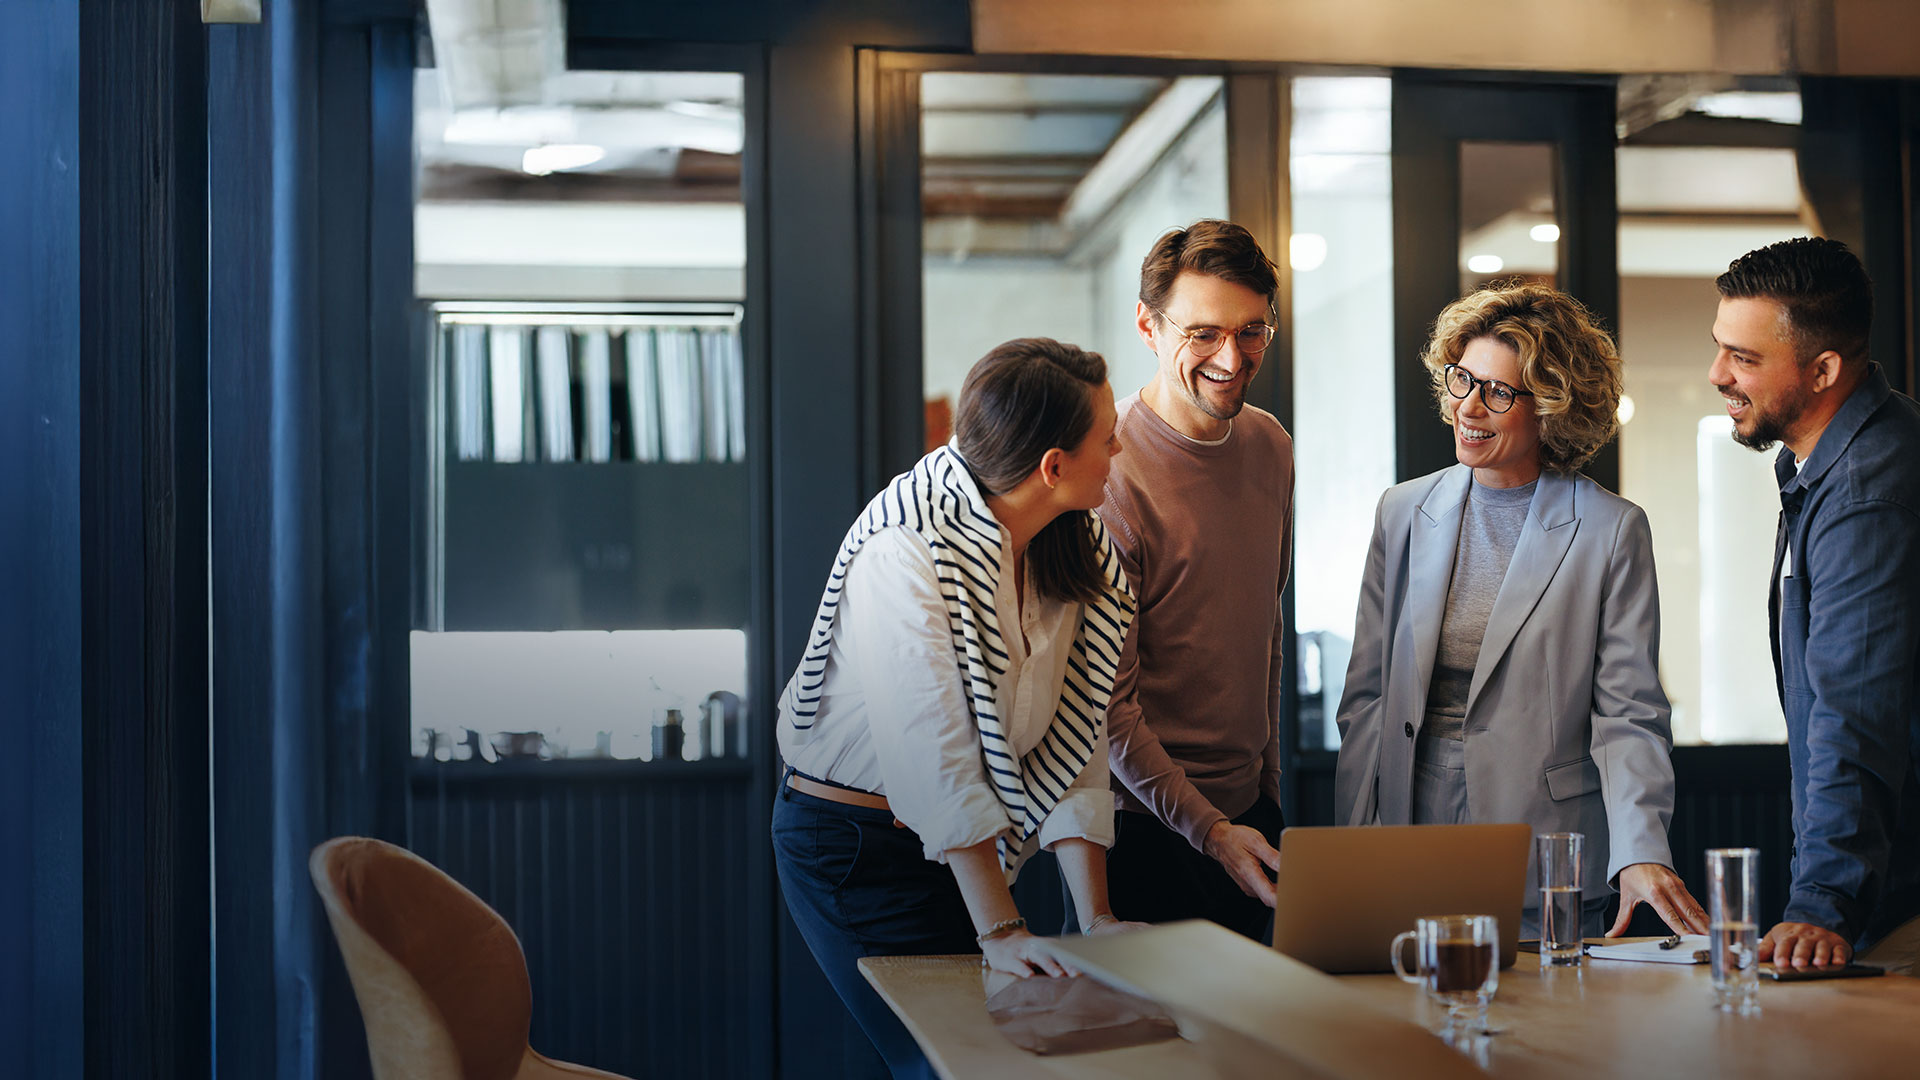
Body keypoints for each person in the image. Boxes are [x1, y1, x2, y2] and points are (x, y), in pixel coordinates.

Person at [771, 338, 1141, 1079]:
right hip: (853, 849)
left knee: (1009, 1056)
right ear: (1053, 466)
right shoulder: (905, 549)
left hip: (955, 847)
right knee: (953, 1062)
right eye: (1107, 436)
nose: (1120, 445)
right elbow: (930, 756)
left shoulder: (1071, 543)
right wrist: (1002, 928)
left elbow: (1074, 737)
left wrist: (1094, 919)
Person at [1334, 282, 1707, 940]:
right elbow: (1367, 697)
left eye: (1498, 392)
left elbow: (1630, 715)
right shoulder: (1403, 511)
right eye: (1461, 380)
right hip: (1408, 835)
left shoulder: (1610, 530)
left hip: (1546, 847)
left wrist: (1641, 849)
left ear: (1552, 408)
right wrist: (1354, 846)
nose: (1468, 407)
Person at [1708, 237, 1920, 973]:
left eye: (1744, 358)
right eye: (1719, 348)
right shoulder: (1830, 465)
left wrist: (1824, 901)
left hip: (1895, 903)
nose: (1717, 375)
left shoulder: (1867, 491)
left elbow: (1852, 708)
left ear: (1824, 369)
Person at [1095, 220, 1293, 941]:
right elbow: (1107, 708)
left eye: (1252, 333)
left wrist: (1264, 797)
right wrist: (1209, 830)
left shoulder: (1271, 446)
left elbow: (1264, 632)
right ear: (1149, 326)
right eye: (1203, 333)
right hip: (1140, 832)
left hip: (1251, 820)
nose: (1231, 358)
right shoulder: (1107, 472)